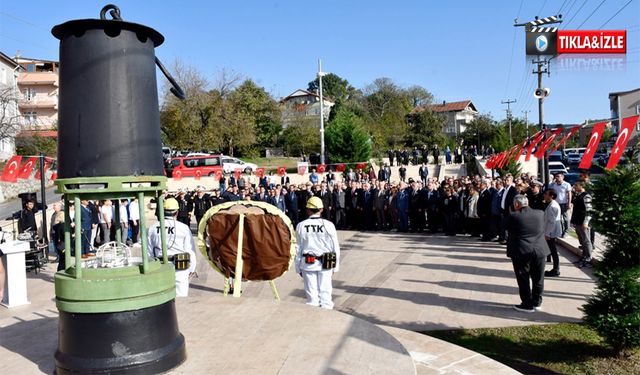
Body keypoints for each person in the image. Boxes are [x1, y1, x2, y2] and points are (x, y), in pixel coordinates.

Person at [294, 196, 340, 309]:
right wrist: (335, 266)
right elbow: (335, 247)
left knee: (311, 297)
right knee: (326, 296)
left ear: (308, 210)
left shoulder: (301, 226)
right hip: (327, 262)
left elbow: (297, 248)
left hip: (308, 263)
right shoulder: (329, 225)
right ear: (321, 209)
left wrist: (298, 267)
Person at [506, 195, 550, 313]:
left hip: (522, 251)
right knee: (538, 278)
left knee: (523, 277)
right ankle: (537, 302)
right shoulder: (540, 213)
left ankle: (527, 304)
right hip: (539, 250)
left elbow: (506, 228)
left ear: (516, 204)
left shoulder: (513, 216)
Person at [148, 198, 197, 297]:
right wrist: (192, 268)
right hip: (180, 266)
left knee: (162, 296)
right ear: (177, 212)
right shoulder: (183, 228)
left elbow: (149, 251)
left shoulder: (153, 228)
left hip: (160, 265)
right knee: (181, 295)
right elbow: (190, 250)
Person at [570, 182, 593, 268]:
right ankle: (584, 256)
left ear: (582, 186)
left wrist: (586, 222)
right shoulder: (578, 195)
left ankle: (588, 258)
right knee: (582, 241)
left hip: (583, 223)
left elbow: (589, 210)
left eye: (576, 185)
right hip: (578, 221)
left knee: (586, 241)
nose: (574, 187)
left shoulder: (586, 196)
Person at [543, 189, 562, 277]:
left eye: (546, 194)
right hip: (551, 231)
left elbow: (552, 222)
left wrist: (547, 234)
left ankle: (556, 269)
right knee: (552, 250)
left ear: (551, 196)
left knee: (553, 250)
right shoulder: (552, 204)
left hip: (551, 232)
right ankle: (555, 268)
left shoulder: (553, 206)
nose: (544, 195)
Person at [549, 172, 572, 237]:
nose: (557, 178)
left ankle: (566, 231)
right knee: (559, 218)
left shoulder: (566, 184)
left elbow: (569, 194)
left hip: (564, 203)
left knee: (566, 218)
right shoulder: (554, 184)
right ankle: (561, 231)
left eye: (558, 176)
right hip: (556, 204)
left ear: (562, 177)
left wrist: (569, 203)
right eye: (556, 176)